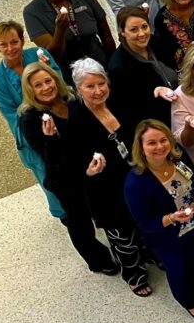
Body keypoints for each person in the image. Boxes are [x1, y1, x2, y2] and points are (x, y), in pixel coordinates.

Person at [65, 59, 156, 297]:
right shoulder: (76, 120)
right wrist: (89, 170)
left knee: (145, 221)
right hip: (106, 190)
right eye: (90, 86)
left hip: (136, 177)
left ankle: (150, 254)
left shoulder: (118, 102)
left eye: (101, 83)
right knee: (122, 234)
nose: (98, 91)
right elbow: (73, 164)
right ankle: (134, 275)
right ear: (78, 89)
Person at [19, 61, 119, 274]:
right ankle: (97, 260)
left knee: (103, 209)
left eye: (48, 81)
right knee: (80, 221)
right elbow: (49, 158)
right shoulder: (30, 119)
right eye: (38, 85)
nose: (46, 87)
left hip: (90, 168)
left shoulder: (72, 100)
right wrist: (51, 138)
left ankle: (121, 245)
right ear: (30, 90)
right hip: (65, 178)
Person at [124, 120, 194, 323]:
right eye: (151, 143)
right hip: (169, 237)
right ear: (140, 147)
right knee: (179, 271)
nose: (159, 147)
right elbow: (144, 223)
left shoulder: (178, 159)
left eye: (163, 140)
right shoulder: (136, 182)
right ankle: (189, 301)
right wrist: (170, 218)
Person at [0, 21, 64, 218]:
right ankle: (66, 216)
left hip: (61, 120)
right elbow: (12, 115)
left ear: (22, 40)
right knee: (50, 175)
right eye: (3, 44)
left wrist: (50, 71)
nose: (10, 48)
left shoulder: (39, 55)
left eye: (14, 41)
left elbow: (60, 83)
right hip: (32, 134)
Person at [23, 0, 116, 70]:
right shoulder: (32, 12)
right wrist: (60, 30)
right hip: (69, 74)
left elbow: (106, 35)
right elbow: (52, 55)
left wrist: (113, 63)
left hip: (101, 63)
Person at [107, 7, 179, 136]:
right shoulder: (118, 68)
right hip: (156, 127)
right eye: (133, 30)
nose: (142, 34)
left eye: (144, 27)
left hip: (178, 111)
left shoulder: (156, 42)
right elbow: (130, 112)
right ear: (122, 32)